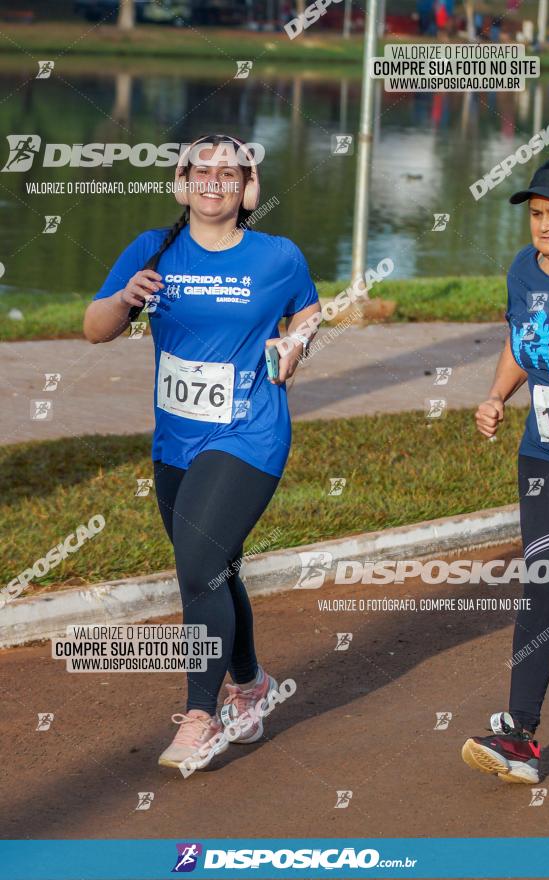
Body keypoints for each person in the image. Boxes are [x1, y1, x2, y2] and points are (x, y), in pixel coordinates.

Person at [83, 134, 321, 772]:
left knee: (196, 563)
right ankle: (250, 682)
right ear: (181, 183)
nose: (213, 180)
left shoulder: (278, 257)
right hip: (176, 441)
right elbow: (94, 328)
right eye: (200, 170)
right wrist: (124, 298)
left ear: (248, 190)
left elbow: (310, 310)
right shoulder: (152, 250)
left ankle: (200, 715)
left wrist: (297, 346)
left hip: (249, 434)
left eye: (228, 172)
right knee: (215, 567)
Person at [462, 156, 549, 785]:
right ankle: (521, 735)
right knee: (546, 583)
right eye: (537, 214)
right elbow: (523, 338)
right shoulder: (522, 269)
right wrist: (495, 395)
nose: (544, 225)